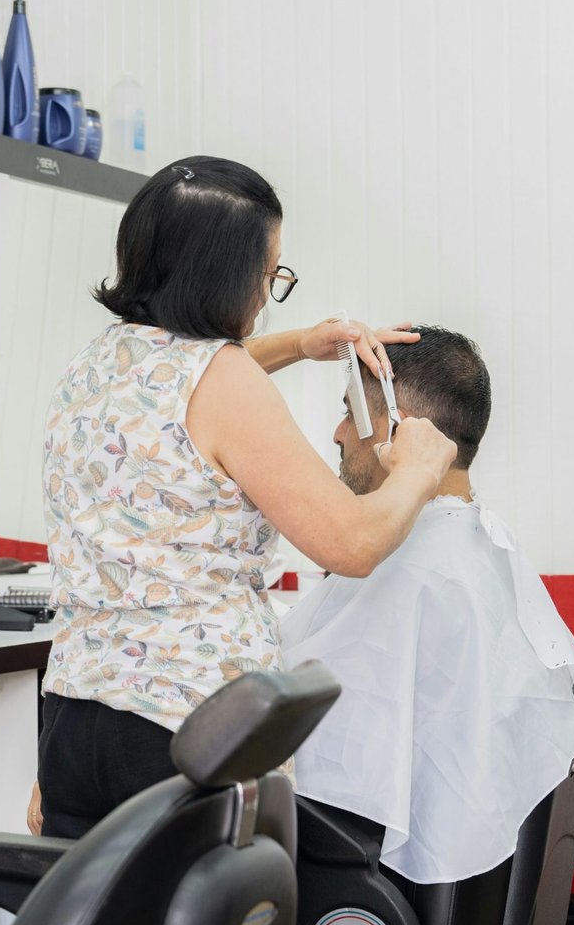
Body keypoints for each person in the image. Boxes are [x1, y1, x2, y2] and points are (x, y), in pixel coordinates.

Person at [28, 157, 458, 841]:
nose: (266, 295)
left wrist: (302, 342)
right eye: (269, 274)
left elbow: (183, 387)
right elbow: (352, 543)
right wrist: (418, 469)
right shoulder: (226, 383)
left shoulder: (96, 367)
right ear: (222, 275)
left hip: (74, 724)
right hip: (190, 734)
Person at [282, 326, 574, 884]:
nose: (339, 434)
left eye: (349, 412)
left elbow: (311, 748)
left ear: (396, 427)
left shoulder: (412, 567)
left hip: (366, 888)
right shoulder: (477, 541)